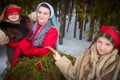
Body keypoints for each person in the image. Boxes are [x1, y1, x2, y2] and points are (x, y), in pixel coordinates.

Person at [45, 25, 120, 80]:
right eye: (100, 42)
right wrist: (60, 60)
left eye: (108, 44)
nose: (102, 47)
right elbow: (73, 75)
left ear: (114, 46)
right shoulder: (86, 54)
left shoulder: (116, 65)